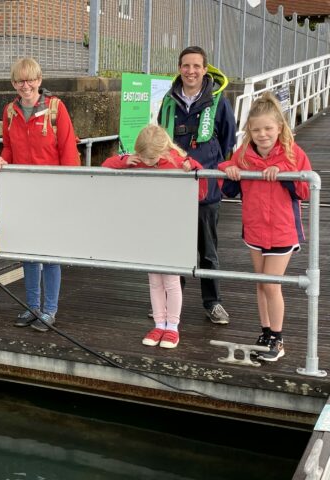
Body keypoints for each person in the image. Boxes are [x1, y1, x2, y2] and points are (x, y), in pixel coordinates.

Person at [219, 92, 312, 361]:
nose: (262, 134)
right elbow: (226, 170)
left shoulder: (293, 154)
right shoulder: (245, 155)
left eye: (268, 128)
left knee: (272, 285)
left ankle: (278, 340)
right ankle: (266, 332)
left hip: (282, 229)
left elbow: (305, 189)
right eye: (256, 129)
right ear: (249, 130)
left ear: (280, 127)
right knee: (261, 284)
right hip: (255, 229)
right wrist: (230, 170)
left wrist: (285, 175)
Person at [0, 57, 80, 332]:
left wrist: (68, 190)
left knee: (50, 254)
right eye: (20, 80)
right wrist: (1, 160)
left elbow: (68, 150)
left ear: (39, 81)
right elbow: (8, 147)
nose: (25, 85)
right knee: (28, 254)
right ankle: (32, 307)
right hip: (23, 191)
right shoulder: (10, 111)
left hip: (51, 190)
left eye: (30, 80)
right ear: (13, 83)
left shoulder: (55, 108)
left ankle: (49, 310)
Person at [103, 125, 206, 348]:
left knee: (171, 280)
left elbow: (201, 190)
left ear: (163, 150)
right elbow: (105, 166)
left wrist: (194, 167)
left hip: (171, 229)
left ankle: (172, 326)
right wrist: (124, 160)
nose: (146, 162)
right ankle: (159, 323)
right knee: (154, 281)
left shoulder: (177, 161)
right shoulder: (137, 160)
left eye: (151, 157)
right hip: (148, 228)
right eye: (142, 156)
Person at [157, 45, 236, 325]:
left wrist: (209, 164)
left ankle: (212, 302)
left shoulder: (219, 101)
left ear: (205, 69)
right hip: (175, 191)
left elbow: (228, 141)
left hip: (207, 191)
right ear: (180, 68)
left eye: (196, 66)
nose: (191, 71)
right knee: (176, 247)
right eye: (186, 65)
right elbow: (159, 140)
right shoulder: (168, 102)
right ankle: (172, 301)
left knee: (208, 250)